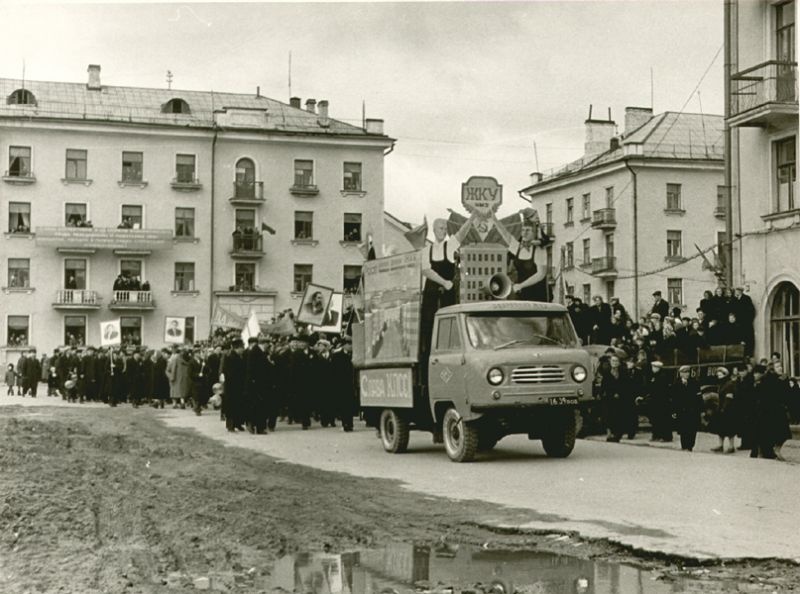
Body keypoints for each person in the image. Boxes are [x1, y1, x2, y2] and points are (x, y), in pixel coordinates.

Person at [419, 215, 474, 361]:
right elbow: (426, 270)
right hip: (431, 295)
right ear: (434, 230)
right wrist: (444, 282)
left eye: (445, 229)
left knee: (448, 328)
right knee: (429, 327)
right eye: (440, 228)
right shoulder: (426, 250)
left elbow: (462, 233)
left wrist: (472, 217)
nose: (443, 231)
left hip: (447, 297)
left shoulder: (449, 246)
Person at [493, 210, 549, 302]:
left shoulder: (539, 249)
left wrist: (521, 285)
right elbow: (505, 234)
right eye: (523, 230)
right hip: (520, 294)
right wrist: (494, 220)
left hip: (537, 296)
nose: (524, 233)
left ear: (534, 233)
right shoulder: (518, 248)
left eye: (528, 230)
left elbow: (541, 274)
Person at [707, 367, 738, 454]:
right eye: (718, 374)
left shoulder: (729, 384)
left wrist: (724, 408)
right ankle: (721, 445)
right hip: (721, 409)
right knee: (720, 428)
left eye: (720, 374)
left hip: (728, 410)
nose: (718, 376)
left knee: (729, 429)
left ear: (725, 375)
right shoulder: (722, 384)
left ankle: (731, 446)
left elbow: (729, 398)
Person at [673, 365, 702, 452]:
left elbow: (699, 397)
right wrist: (674, 411)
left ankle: (690, 446)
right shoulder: (676, 384)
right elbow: (674, 399)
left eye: (688, 372)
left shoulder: (694, 383)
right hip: (682, 410)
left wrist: (701, 409)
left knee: (692, 429)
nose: (686, 374)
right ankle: (684, 445)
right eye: (684, 372)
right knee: (683, 428)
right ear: (680, 374)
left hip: (692, 410)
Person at [221, 339, 247, 432]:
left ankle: (238, 423)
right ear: (237, 348)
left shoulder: (241, 357)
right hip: (232, 386)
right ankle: (230, 425)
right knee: (231, 406)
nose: (243, 349)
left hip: (239, 386)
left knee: (239, 405)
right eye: (242, 347)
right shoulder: (230, 358)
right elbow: (228, 373)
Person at [645, 360, 673, 442]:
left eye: (655, 367)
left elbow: (663, 390)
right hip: (654, 401)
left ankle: (666, 436)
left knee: (663, 419)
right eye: (653, 367)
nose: (653, 368)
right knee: (655, 419)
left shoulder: (663, 376)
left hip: (662, 402)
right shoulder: (652, 376)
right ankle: (656, 435)